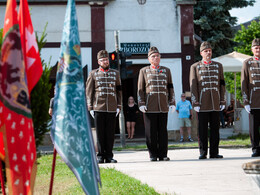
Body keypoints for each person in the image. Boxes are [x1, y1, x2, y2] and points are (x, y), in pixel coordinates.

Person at [138, 46, 175, 162]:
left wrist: (172, 102)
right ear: (149, 58)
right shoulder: (144, 71)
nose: (156, 58)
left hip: (163, 106)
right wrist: (141, 103)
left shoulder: (166, 70)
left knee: (163, 131)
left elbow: (170, 87)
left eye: (158, 56)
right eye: (153, 56)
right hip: (150, 106)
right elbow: (140, 88)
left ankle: (163, 154)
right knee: (151, 132)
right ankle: (153, 154)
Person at [190, 42, 226, 160]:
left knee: (215, 129)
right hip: (202, 103)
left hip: (215, 103)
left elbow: (222, 85)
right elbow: (193, 86)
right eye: (206, 51)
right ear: (201, 53)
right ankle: (203, 152)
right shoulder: (195, 67)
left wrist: (222, 101)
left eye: (210, 50)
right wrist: (195, 102)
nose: (208, 52)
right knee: (203, 130)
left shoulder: (218, 66)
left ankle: (214, 152)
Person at [86, 50, 122, 163]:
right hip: (98, 107)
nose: (105, 61)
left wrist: (119, 106)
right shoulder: (93, 74)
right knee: (100, 133)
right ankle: (100, 156)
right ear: (98, 61)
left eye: (106, 59)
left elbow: (119, 91)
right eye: (102, 60)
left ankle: (109, 155)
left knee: (110, 133)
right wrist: (90, 107)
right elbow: (89, 91)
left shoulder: (115, 73)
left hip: (112, 107)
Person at [241, 38, 260, 157]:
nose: (258, 50)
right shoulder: (247, 63)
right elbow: (244, 83)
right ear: (252, 49)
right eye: (256, 48)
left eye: (259, 47)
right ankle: (255, 148)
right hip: (253, 100)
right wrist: (246, 101)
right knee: (254, 127)